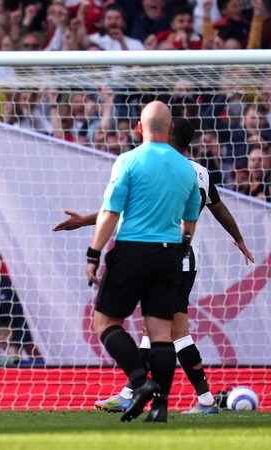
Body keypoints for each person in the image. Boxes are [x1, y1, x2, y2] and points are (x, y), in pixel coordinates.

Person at [54, 117, 255, 415]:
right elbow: (219, 208)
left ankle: (204, 399)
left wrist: (84, 221)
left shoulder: (161, 167)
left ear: (169, 134)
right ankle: (130, 392)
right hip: (183, 259)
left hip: (169, 258)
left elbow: (124, 207)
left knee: (175, 330)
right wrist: (238, 237)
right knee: (154, 328)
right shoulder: (200, 172)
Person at [85, 102, 201, 423]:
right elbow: (190, 220)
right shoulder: (187, 169)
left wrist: (94, 253)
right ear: (171, 128)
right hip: (170, 254)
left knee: (105, 323)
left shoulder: (128, 160)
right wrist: (181, 248)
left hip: (133, 249)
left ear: (139, 128)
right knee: (161, 333)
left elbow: (110, 212)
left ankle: (140, 381)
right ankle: (160, 408)